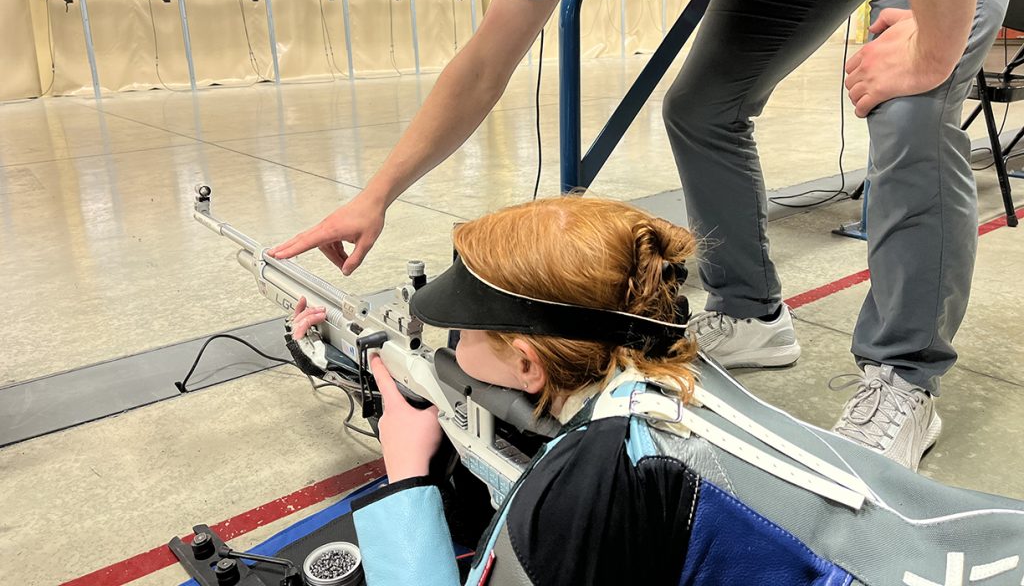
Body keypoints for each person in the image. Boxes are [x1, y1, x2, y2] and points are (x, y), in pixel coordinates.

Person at [270, 0, 1024, 470]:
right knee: (700, 108)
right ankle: (752, 312)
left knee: (911, 107)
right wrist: (375, 197)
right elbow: (481, 69)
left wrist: (933, 52)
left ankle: (904, 379)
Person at [287, 196, 1024, 586]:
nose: (451, 346)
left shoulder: (587, 487)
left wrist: (406, 475)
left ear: (529, 364)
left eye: (465, 335)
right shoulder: (675, 364)